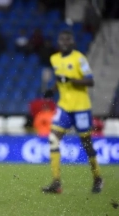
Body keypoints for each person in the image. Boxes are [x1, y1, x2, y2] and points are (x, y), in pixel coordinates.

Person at [42, 29, 103, 194]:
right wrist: (52, 90)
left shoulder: (79, 58)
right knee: (53, 139)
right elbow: (59, 79)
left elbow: (90, 81)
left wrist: (71, 80)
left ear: (72, 42)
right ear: (58, 42)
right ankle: (56, 182)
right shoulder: (54, 59)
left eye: (67, 40)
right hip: (64, 107)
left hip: (81, 108)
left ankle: (97, 178)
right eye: (62, 39)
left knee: (86, 144)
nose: (64, 42)